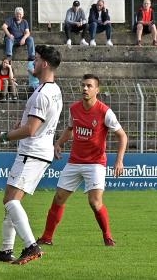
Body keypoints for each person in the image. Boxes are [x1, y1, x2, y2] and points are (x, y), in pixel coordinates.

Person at [0, 44, 63, 265]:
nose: (33, 63)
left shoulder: (43, 94)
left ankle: (31, 246)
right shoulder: (53, 89)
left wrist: (2, 136)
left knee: (10, 200)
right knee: (11, 200)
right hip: (39, 152)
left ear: (45, 63)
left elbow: (31, 129)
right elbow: (36, 122)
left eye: (36, 59)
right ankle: (6, 250)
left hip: (32, 152)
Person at [36, 74, 127, 248]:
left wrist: (119, 160)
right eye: (83, 85)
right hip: (75, 161)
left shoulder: (105, 112)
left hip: (95, 163)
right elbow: (70, 128)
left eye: (89, 86)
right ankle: (47, 237)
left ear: (97, 90)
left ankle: (108, 237)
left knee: (94, 202)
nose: (85, 89)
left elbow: (122, 136)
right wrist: (58, 143)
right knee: (59, 197)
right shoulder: (74, 109)